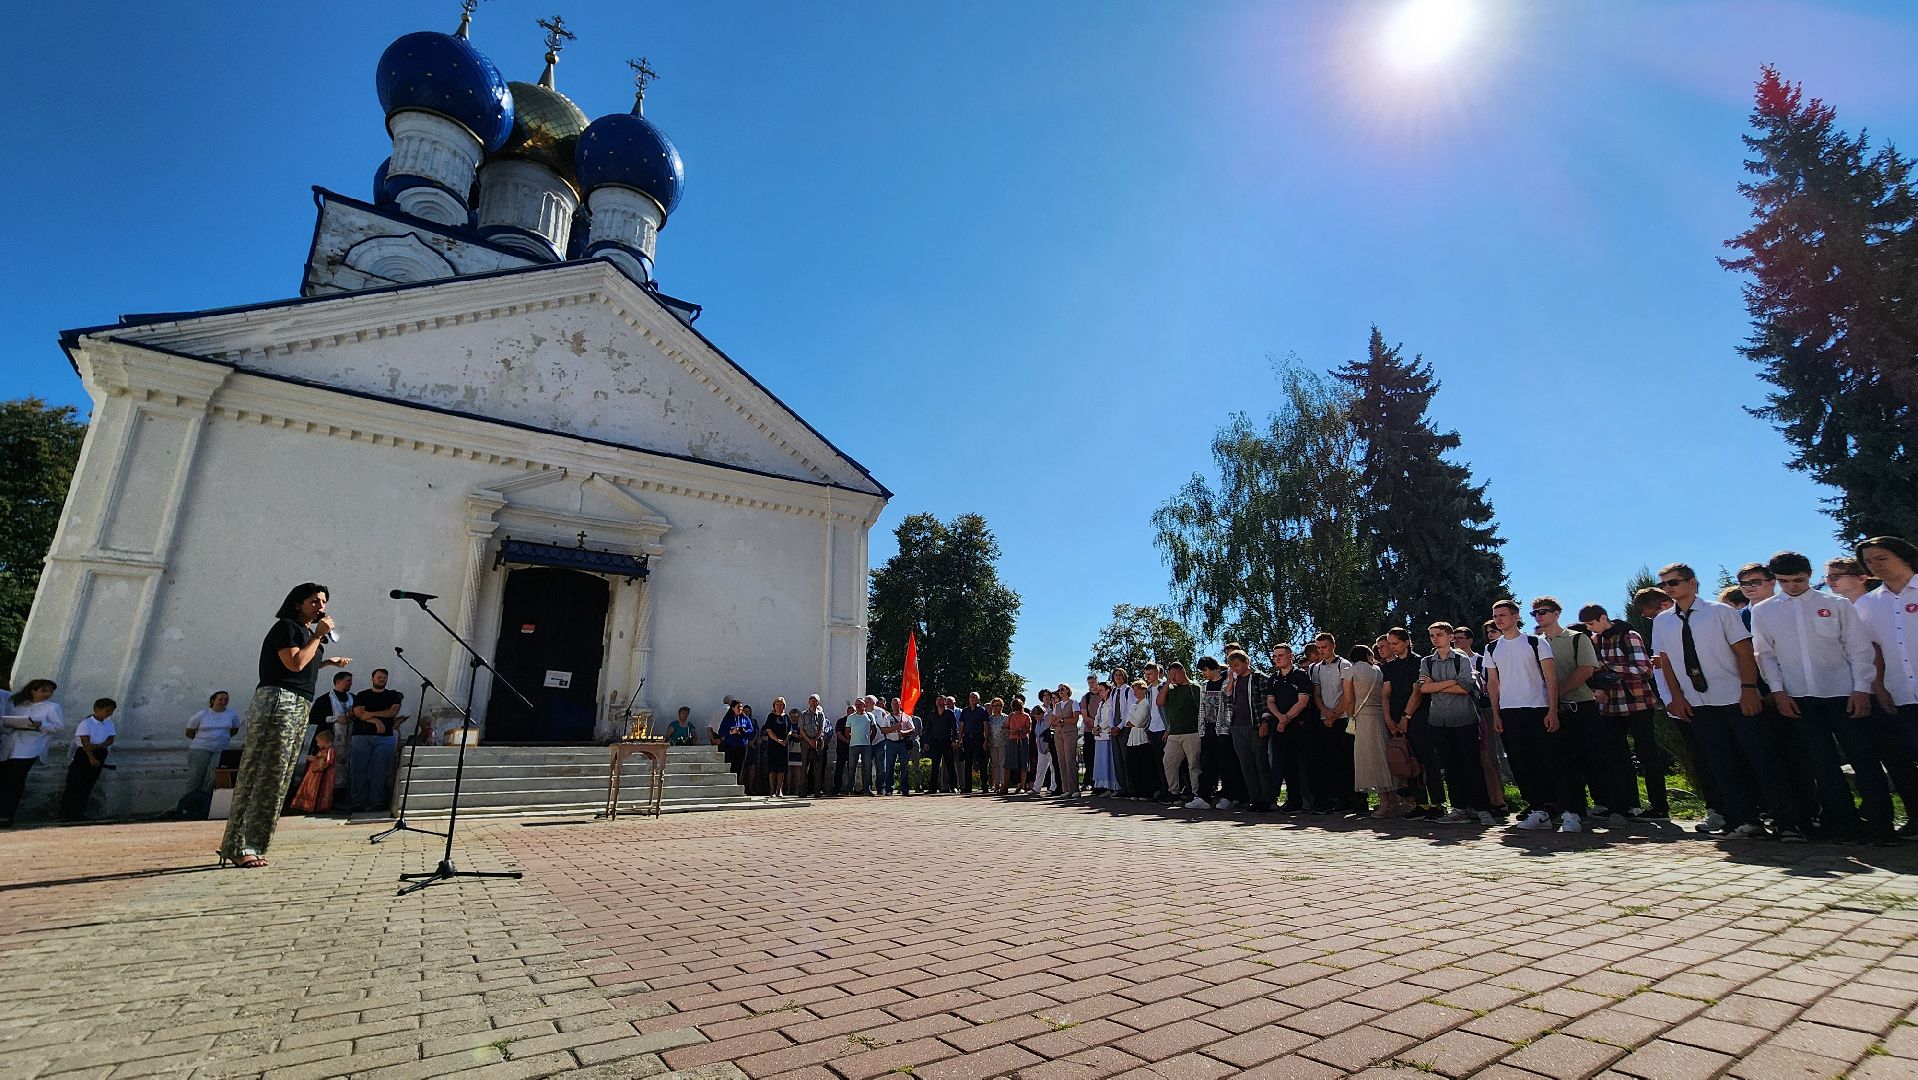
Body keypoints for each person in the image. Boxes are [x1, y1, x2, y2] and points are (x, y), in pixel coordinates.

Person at [1650, 563, 1803, 841]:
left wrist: (1747, 689)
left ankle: (1787, 821)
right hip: (1699, 702)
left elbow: (1744, 652)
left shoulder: (1720, 612)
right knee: (1721, 764)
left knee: (1761, 759)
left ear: (1693, 583)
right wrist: (1676, 697)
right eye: (1664, 585)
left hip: (1735, 697)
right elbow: (1666, 662)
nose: (1669, 588)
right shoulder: (1663, 621)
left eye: (1674, 582)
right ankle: (1743, 819)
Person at [1750, 550, 1886, 842]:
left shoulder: (1835, 604)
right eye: (1784, 581)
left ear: (1810, 575)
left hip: (1843, 692)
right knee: (1822, 765)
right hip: (1799, 697)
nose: (1792, 586)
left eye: (1798, 580)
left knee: (1863, 759)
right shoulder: (1764, 611)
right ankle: (1843, 824)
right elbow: (1765, 655)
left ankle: (1881, 823)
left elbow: (1858, 648)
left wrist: (1862, 689)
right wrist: (1778, 691)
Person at [220, 582, 351, 868]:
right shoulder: (287, 627)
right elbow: (294, 664)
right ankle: (238, 843)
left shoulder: (307, 634)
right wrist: (318, 635)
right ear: (297, 603)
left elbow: (306, 662)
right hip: (278, 700)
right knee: (262, 771)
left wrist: (327, 662)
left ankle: (255, 842)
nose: (321, 607)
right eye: (314, 601)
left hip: (299, 702)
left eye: (324, 602)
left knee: (279, 775)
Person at [1485, 599, 1579, 833]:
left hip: (1538, 709)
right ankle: (1540, 809)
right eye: (1496, 616)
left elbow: (1551, 678)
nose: (1499, 620)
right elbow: (1493, 683)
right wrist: (1496, 714)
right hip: (1509, 712)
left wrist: (1553, 710)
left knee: (1554, 760)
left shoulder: (1536, 642)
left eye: (1503, 615)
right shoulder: (1492, 648)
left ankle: (1570, 812)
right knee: (1522, 762)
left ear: (1516, 616)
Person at [1580, 605, 1669, 820]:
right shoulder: (1595, 640)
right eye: (1587, 626)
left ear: (1603, 617)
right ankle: (1627, 804)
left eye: (1592, 624)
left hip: (1637, 702)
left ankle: (1659, 806)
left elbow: (1644, 668)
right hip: (1610, 706)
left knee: (1648, 755)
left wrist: (1609, 667)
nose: (1591, 629)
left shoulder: (1629, 635)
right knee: (1617, 756)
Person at [1856, 535, 1918, 831]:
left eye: (1881, 558)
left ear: (1903, 555)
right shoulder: (1868, 603)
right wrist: (1879, 688)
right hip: (1900, 692)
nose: (1875, 566)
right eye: (1869, 562)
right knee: (1904, 760)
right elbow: (1873, 650)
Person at [1532, 597, 1610, 822]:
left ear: (1557, 613)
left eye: (1544, 611)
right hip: (1553, 710)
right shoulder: (1535, 643)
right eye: (1535, 613)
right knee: (1561, 762)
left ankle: (1609, 805)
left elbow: (1586, 669)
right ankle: (1572, 809)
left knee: (1593, 758)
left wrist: (1558, 692)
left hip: (1581, 706)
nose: (1539, 616)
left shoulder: (1577, 638)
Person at [1406, 622, 1493, 824]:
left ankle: (1482, 808)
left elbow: (1465, 687)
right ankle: (1459, 808)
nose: (1435, 638)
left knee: (1471, 764)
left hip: (1464, 718)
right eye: (1432, 635)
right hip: (1438, 721)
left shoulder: (1461, 658)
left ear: (1450, 636)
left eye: (1439, 634)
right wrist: (1449, 683)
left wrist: (1436, 686)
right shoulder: (1427, 661)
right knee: (1450, 767)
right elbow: (1423, 689)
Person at [1381, 629, 1441, 819]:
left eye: (1395, 643)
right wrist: (1389, 719)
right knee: (1407, 760)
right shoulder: (1389, 667)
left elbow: (1418, 691)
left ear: (1406, 642)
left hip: (1419, 717)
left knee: (1427, 761)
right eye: (1389, 644)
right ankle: (1420, 803)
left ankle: (1437, 803)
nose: (1392, 647)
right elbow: (1385, 694)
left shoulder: (1420, 662)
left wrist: (1406, 717)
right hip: (1396, 718)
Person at [1, 679, 64, 826]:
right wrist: (10, 725)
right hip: (10, 745)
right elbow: (6, 723)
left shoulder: (52, 707)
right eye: (43, 690)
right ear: (33, 690)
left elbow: (59, 727)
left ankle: (6, 815)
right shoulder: (18, 704)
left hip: (29, 747)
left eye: (50, 691)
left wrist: (41, 725)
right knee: (4, 779)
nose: (47, 694)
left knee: (15, 781)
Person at [1310, 633, 1357, 814]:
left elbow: (1348, 694)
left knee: (1345, 759)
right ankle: (1332, 797)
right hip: (1324, 718)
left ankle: (1348, 798)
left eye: (1325, 647)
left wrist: (1335, 714)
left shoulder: (1344, 665)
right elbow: (1316, 693)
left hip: (1342, 718)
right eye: (1319, 648)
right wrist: (1325, 712)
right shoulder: (1316, 668)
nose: (1322, 651)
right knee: (1328, 760)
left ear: (1333, 646)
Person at [1223, 650, 1275, 812]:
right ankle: (1254, 797)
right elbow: (1226, 700)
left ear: (1246, 662)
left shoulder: (1260, 678)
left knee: (1261, 762)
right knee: (1246, 764)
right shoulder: (1234, 681)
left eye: (1237, 665)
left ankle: (1267, 798)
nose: (1235, 669)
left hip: (1256, 725)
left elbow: (1266, 702)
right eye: (1232, 666)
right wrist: (1231, 681)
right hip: (1238, 726)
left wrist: (1265, 722)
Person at [1346, 647, 1395, 817]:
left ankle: (1385, 802)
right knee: (1385, 756)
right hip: (1381, 716)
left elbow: (1349, 698)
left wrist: (1350, 717)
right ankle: (1394, 800)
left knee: (1372, 760)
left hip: (1363, 717)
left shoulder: (1350, 671)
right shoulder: (1378, 670)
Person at [178, 691, 241, 819]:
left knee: (212, 776)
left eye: (225, 699)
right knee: (196, 776)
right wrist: (204, 740)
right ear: (213, 701)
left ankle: (204, 805)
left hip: (220, 749)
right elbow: (189, 731)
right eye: (220, 699)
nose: (223, 702)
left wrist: (223, 739)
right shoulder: (202, 714)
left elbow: (234, 729)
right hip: (200, 749)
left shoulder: (231, 714)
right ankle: (186, 806)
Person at [1265, 646, 1314, 812]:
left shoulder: (1301, 676)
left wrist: (1286, 719)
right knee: (1286, 765)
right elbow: (1270, 701)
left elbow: (1302, 701)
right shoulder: (1273, 678)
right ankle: (1293, 801)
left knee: (1304, 764)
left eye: (1281, 655)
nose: (1277, 659)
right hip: (1279, 727)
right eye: (1275, 656)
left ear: (1290, 656)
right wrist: (1280, 718)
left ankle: (1308, 798)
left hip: (1299, 726)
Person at [350, 668, 402, 815]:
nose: (382, 679)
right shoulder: (362, 695)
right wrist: (377, 722)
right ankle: (357, 802)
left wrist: (371, 715)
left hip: (384, 738)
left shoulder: (393, 695)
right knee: (359, 770)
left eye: (384, 677)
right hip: (361, 736)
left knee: (379, 771)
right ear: (372, 678)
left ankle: (377, 801)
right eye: (379, 677)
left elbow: (392, 712)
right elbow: (359, 713)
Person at [60, 698, 117, 820]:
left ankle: (79, 812)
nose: (108, 714)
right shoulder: (86, 723)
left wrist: (98, 746)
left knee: (88, 784)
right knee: (75, 784)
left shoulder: (109, 723)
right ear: (97, 709)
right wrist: (91, 757)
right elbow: (85, 742)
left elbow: (111, 739)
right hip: (85, 753)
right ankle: (66, 813)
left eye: (111, 711)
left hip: (100, 751)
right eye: (106, 711)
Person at [1195, 657, 1240, 809]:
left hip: (1223, 730)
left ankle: (1228, 796)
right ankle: (1204, 796)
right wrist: (1201, 729)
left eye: (1205, 670)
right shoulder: (1204, 686)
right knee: (1207, 763)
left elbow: (1229, 705)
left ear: (1213, 668)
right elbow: (1201, 707)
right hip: (1208, 728)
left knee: (1226, 763)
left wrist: (1226, 727)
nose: (1204, 674)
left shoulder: (1227, 683)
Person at [1159, 662, 1203, 807]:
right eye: (1170, 674)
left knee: (1194, 763)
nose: (1173, 677)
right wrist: (1167, 683)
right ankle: (1174, 791)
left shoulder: (1195, 687)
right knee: (1169, 761)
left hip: (1192, 732)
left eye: (1175, 674)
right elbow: (1159, 702)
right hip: (1174, 733)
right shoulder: (1171, 689)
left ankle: (1196, 792)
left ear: (1182, 671)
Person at [310, 670, 355, 805]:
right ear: (338, 681)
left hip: (349, 740)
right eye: (348, 680)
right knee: (332, 769)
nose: (350, 683)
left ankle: (343, 797)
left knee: (346, 768)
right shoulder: (325, 699)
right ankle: (328, 799)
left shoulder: (353, 698)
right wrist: (335, 718)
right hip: (332, 740)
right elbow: (313, 718)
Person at [289, 729, 337, 814]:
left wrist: (314, 759)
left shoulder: (330, 750)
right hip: (315, 776)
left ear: (325, 741)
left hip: (322, 777)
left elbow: (326, 762)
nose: (317, 744)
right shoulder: (323, 750)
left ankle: (318, 807)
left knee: (318, 790)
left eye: (319, 742)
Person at [1049, 684, 1081, 796]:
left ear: (1068, 690)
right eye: (1059, 690)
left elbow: (1075, 719)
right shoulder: (1057, 705)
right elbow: (1052, 721)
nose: (1060, 691)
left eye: (1062, 689)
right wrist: (1058, 721)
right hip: (1058, 735)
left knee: (1070, 760)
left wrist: (1062, 720)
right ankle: (1066, 789)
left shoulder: (1074, 703)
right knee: (1061, 761)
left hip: (1070, 734)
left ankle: (1075, 789)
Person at [922, 695, 957, 793]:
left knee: (950, 765)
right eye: (937, 699)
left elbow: (954, 728)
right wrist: (925, 742)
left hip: (947, 742)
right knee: (935, 766)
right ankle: (932, 788)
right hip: (935, 743)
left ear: (945, 702)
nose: (939, 701)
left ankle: (953, 786)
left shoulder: (950, 713)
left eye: (941, 699)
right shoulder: (932, 714)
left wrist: (955, 740)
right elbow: (927, 729)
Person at [958, 692, 991, 794]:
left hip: (979, 738)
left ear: (978, 700)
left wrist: (986, 740)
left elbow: (985, 725)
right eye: (971, 697)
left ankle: (985, 786)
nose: (972, 699)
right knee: (968, 763)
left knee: (982, 763)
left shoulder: (982, 711)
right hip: (968, 738)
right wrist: (960, 739)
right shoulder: (965, 711)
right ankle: (968, 787)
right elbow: (962, 726)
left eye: (975, 697)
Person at [843, 697, 877, 795]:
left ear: (864, 705)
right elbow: (847, 731)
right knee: (851, 768)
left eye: (860, 704)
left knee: (867, 768)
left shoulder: (870, 716)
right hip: (853, 745)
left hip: (866, 746)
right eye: (856, 704)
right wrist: (851, 739)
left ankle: (867, 789)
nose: (857, 706)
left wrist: (869, 740)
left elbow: (874, 730)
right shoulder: (851, 717)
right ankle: (850, 789)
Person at [761, 701, 789, 798]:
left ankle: (779, 789)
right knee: (772, 768)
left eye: (781, 704)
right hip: (773, 745)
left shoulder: (786, 717)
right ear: (774, 706)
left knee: (781, 769)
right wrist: (778, 740)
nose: (779, 706)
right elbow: (768, 730)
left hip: (783, 746)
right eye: (777, 704)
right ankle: (772, 790)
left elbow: (789, 730)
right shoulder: (771, 716)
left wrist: (785, 740)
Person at [1005, 697, 1032, 795]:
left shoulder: (1026, 716)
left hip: (1023, 740)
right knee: (1008, 763)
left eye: (1018, 708)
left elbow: (1029, 729)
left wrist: (1021, 731)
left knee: (1023, 763)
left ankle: (1022, 786)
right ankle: (1005, 786)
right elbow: (1006, 728)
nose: (1016, 710)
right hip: (1012, 740)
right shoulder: (1011, 716)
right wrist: (1011, 731)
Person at [893, 700, 918, 795]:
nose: (895, 705)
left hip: (904, 743)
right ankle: (890, 788)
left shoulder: (907, 717)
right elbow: (883, 730)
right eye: (893, 703)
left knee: (905, 766)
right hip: (892, 743)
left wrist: (904, 732)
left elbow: (913, 729)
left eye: (897, 703)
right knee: (891, 766)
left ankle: (905, 788)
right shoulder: (888, 717)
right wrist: (894, 728)